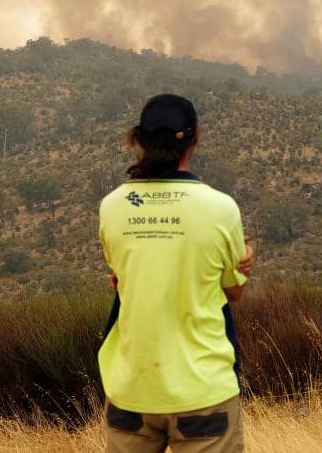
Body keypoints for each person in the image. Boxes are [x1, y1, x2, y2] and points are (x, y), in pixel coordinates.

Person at [98, 93, 252, 453]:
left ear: (139, 139)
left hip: (132, 389)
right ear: (196, 137)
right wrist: (244, 258)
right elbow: (233, 292)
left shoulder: (112, 207)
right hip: (202, 391)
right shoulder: (220, 208)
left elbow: (120, 279)